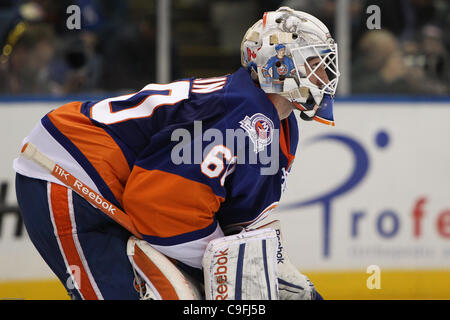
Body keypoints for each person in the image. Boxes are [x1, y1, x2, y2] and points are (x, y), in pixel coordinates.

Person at [14, 7, 339, 300]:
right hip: (69, 173)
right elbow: (157, 208)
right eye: (314, 63)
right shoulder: (234, 112)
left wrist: (268, 269)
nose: (326, 76)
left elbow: (237, 225)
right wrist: (226, 264)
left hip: (113, 190)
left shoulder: (280, 127)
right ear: (277, 63)